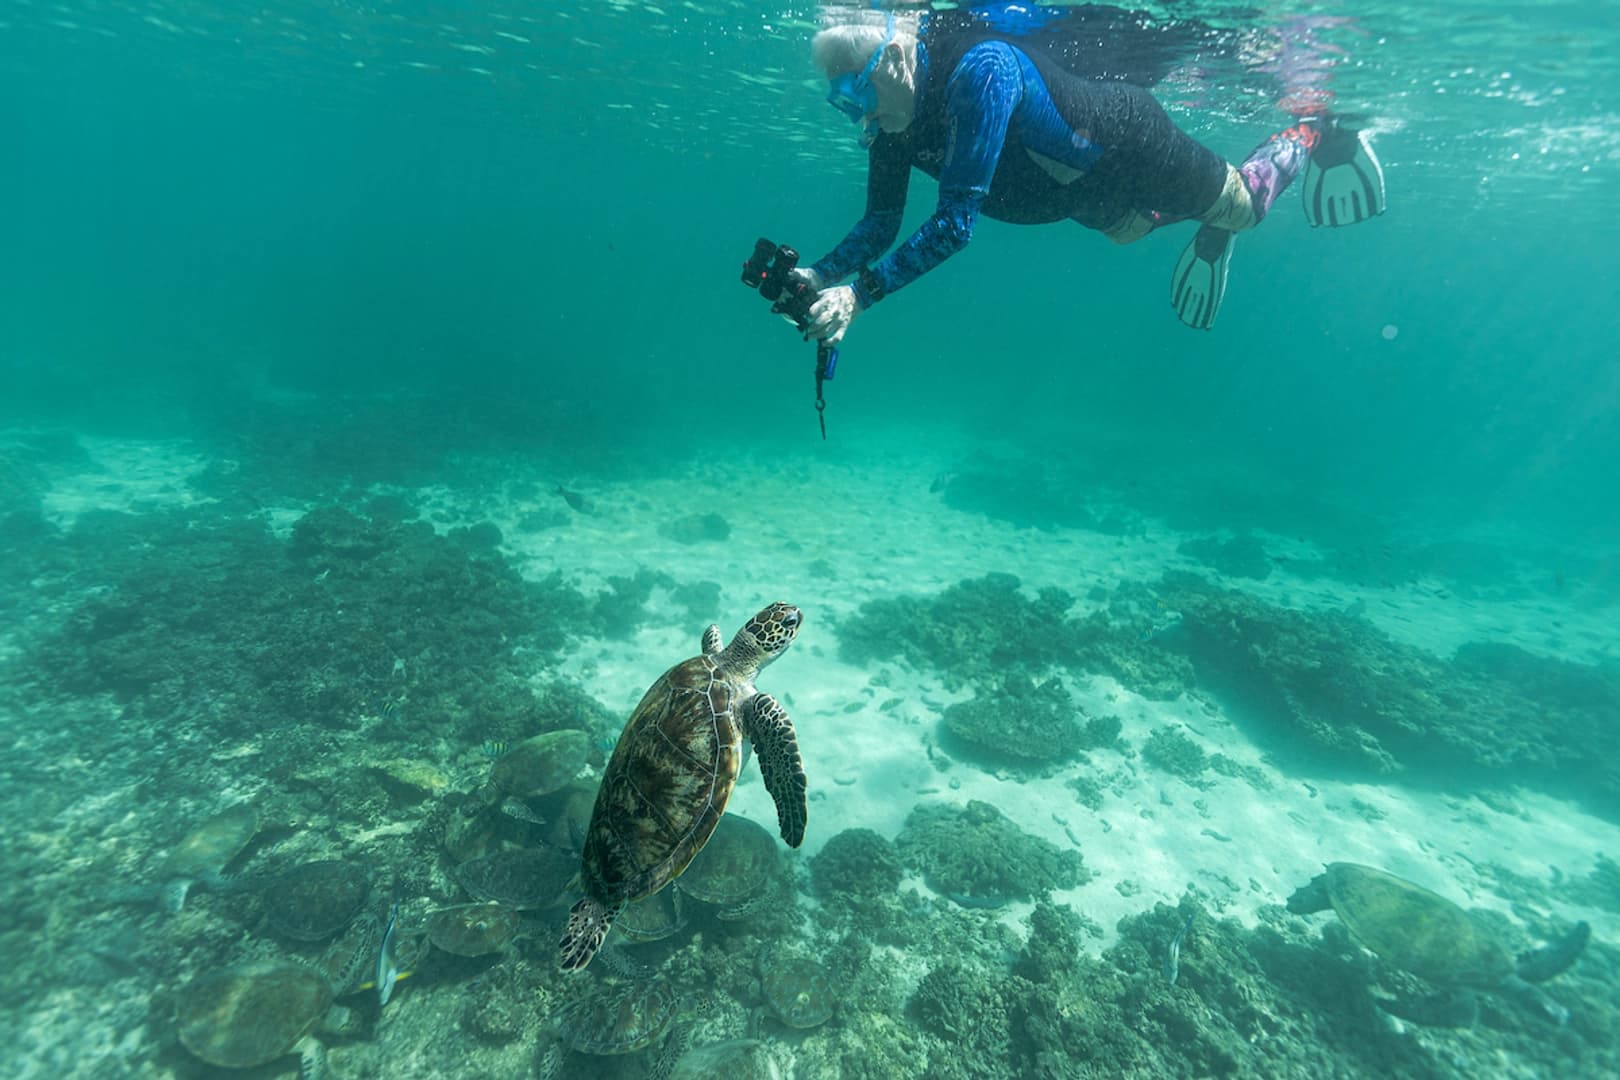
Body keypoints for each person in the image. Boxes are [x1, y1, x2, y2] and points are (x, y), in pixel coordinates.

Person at [793, 3, 1386, 339]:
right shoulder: (893, 116)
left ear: (891, 57)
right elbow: (880, 223)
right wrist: (820, 276)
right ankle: (1210, 220)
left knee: (1246, 209)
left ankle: (1313, 130)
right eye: (840, 100)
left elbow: (954, 226)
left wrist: (859, 297)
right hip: (1078, 197)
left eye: (853, 90)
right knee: (1126, 232)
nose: (855, 113)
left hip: (1131, 144)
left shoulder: (982, 72)